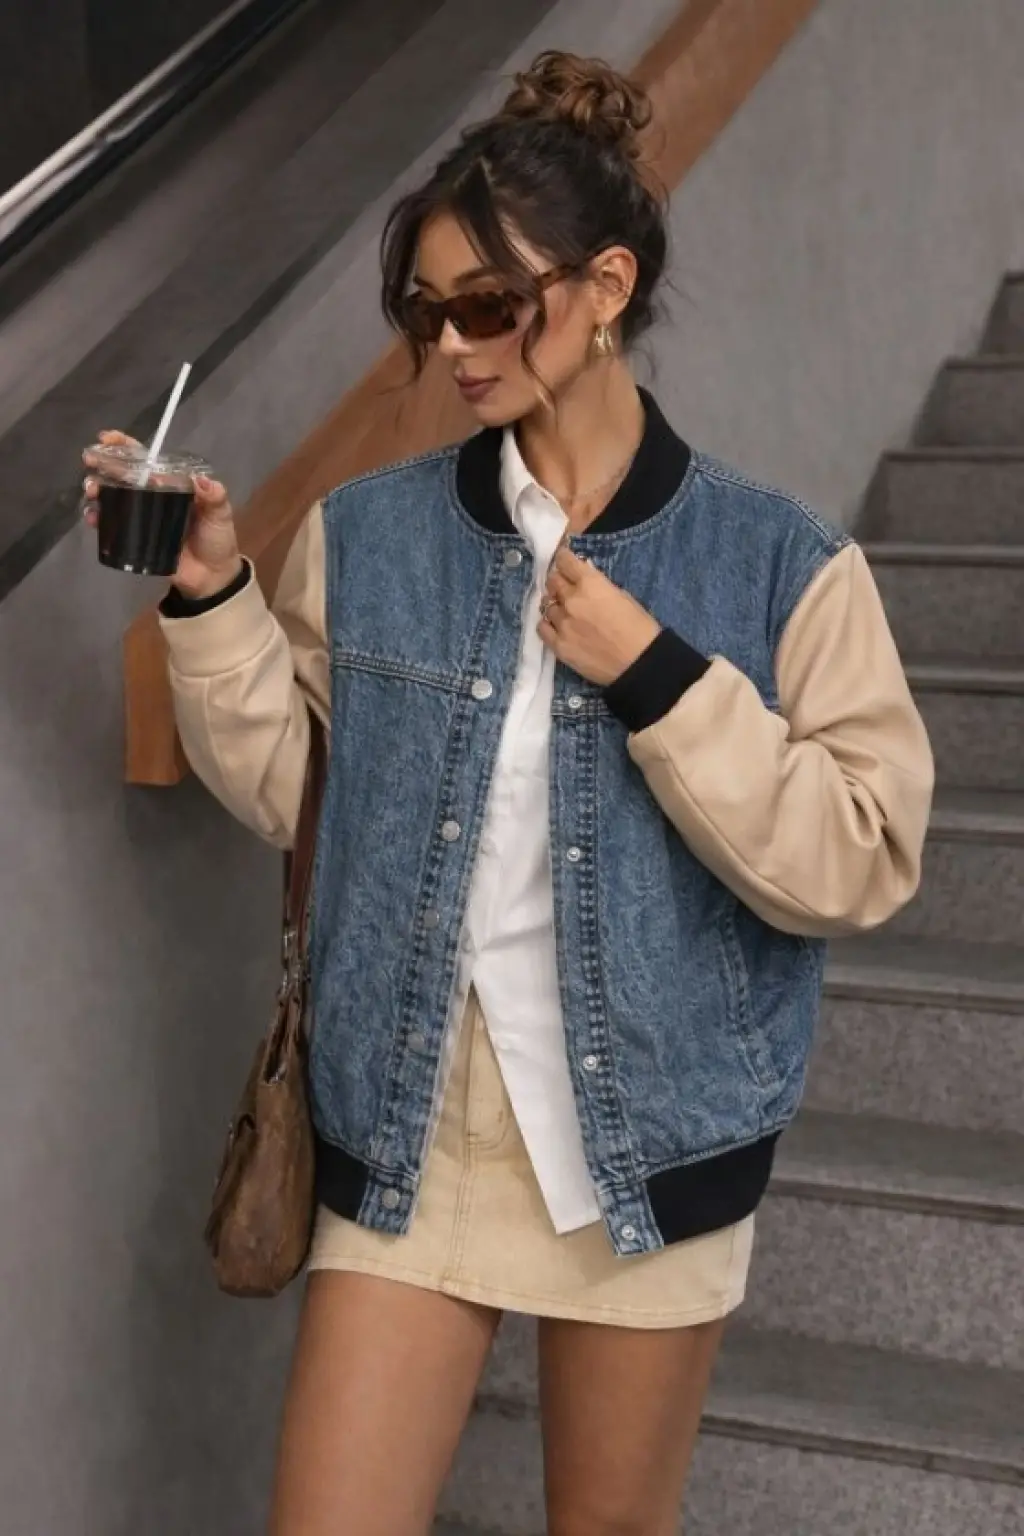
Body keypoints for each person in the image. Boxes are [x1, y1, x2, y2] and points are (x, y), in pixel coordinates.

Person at [83, 49, 934, 1536]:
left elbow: (863, 855)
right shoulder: (370, 533)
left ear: (607, 289)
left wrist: (655, 674)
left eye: (489, 305)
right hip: (416, 1129)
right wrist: (212, 593)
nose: (456, 346)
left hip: (649, 1146)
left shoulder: (781, 561)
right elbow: (306, 799)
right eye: (429, 313)